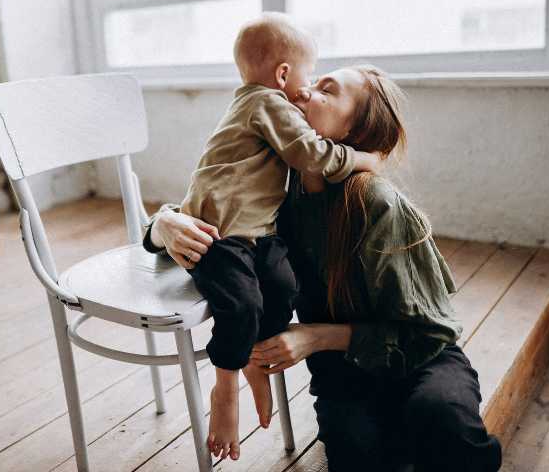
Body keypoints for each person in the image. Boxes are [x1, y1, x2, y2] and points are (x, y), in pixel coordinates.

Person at [145, 65, 502, 472]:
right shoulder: (274, 189)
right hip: (343, 377)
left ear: (353, 133)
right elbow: (207, 212)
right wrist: (164, 224)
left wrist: (316, 337)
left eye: (325, 90)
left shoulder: (376, 203)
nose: (302, 90)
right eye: (312, 82)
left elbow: (430, 334)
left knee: (442, 418)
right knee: (359, 453)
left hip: (420, 359)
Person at [149, 13, 381, 462]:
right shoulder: (266, 105)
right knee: (242, 303)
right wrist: (362, 159)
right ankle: (224, 389)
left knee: (282, 286)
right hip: (220, 236)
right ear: (283, 75)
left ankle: (255, 357)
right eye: (309, 77)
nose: (307, 89)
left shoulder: (254, 106)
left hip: (259, 232)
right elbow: (311, 154)